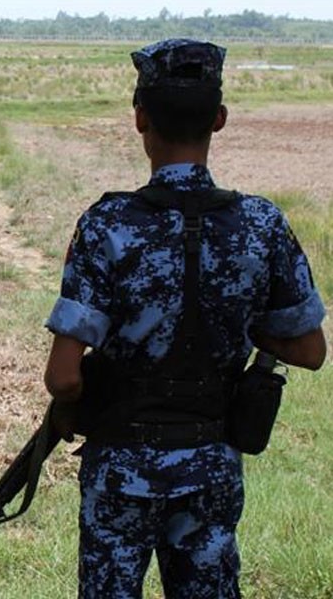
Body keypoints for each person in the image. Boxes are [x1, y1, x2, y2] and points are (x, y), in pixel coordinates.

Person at [43, 39, 327, 598]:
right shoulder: (261, 225)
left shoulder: (107, 225)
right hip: (210, 466)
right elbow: (311, 350)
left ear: (140, 118)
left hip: (121, 468)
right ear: (219, 120)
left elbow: (63, 377)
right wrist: (241, 327)